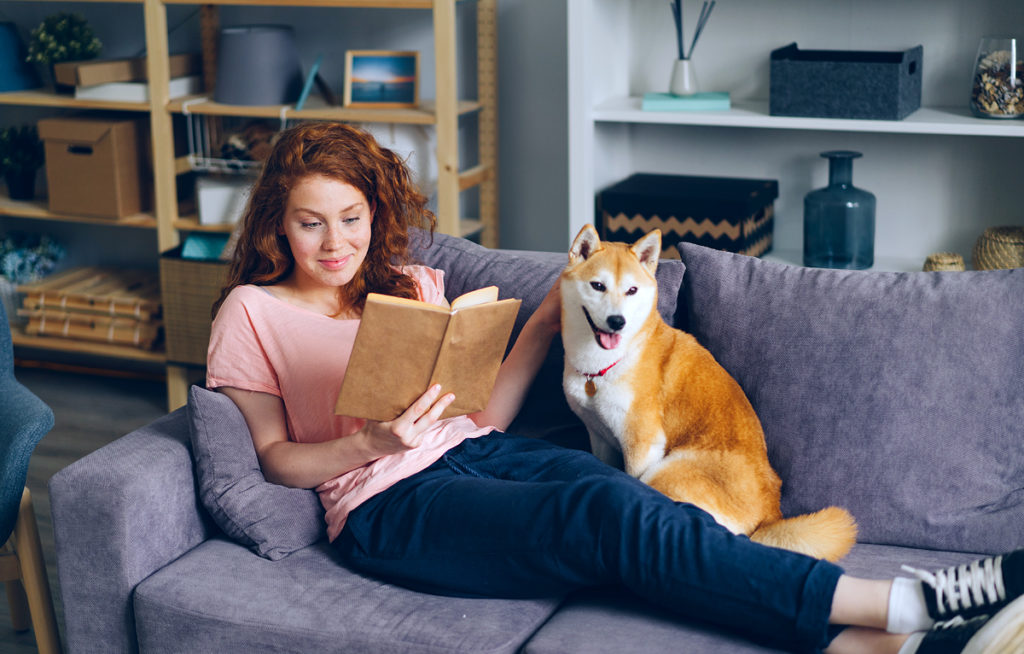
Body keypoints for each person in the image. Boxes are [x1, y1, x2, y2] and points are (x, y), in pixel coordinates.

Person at [206, 121, 1023, 654]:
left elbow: (480, 413)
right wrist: (367, 442)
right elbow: (275, 459)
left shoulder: (413, 282)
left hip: (474, 452)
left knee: (634, 506)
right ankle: (907, 602)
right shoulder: (251, 311)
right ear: (279, 222)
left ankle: (887, 644)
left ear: (374, 214)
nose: (335, 241)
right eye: (311, 222)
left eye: (351, 218)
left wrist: (535, 324)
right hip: (383, 506)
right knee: (600, 512)